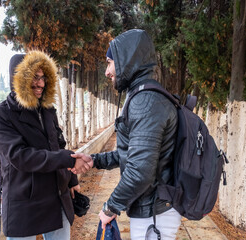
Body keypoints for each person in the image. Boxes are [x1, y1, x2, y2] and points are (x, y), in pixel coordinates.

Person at [71, 29, 182, 240]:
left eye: (109, 62)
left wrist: (110, 207)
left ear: (126, 60)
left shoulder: (145, 102)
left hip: (155, 215)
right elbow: (132, 155)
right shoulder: (144, 96)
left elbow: (140, 171)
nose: (106, 71)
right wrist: (93, 160)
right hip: (152, 208)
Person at [0, 51, 90, 240]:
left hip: (57, 196)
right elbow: (20, 156)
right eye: (35, 77)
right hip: (23, 203)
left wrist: (72, 180)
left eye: (43, 78)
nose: (41, 84)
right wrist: (68, 158)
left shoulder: (48, 110)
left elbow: (58, 144)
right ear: (18, 79)